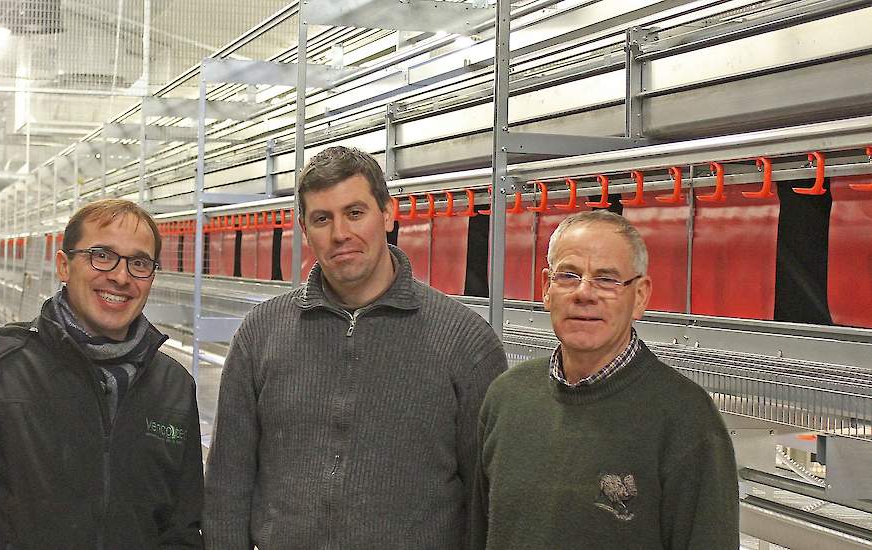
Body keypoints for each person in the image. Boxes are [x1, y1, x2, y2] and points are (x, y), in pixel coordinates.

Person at [204, 146, 508, 549]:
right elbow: (228, 484)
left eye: (354, 213)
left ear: (387, 213)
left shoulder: (465, 341)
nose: (340, 234)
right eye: (322, 218)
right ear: (304, 228)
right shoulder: (261, 334)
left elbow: (486, 499)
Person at [0, 199, 204, 549]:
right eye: (101, 255)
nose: (121, 277)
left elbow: (182, 530)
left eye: (139, 263)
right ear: (64, 265)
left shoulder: (174, 387)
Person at [473, 210, 739, 549]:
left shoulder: (685, 418)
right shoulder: (506, 398)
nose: (584, 293)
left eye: (607, 279)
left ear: (640, 296)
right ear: (546, 289)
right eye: (568, 276)